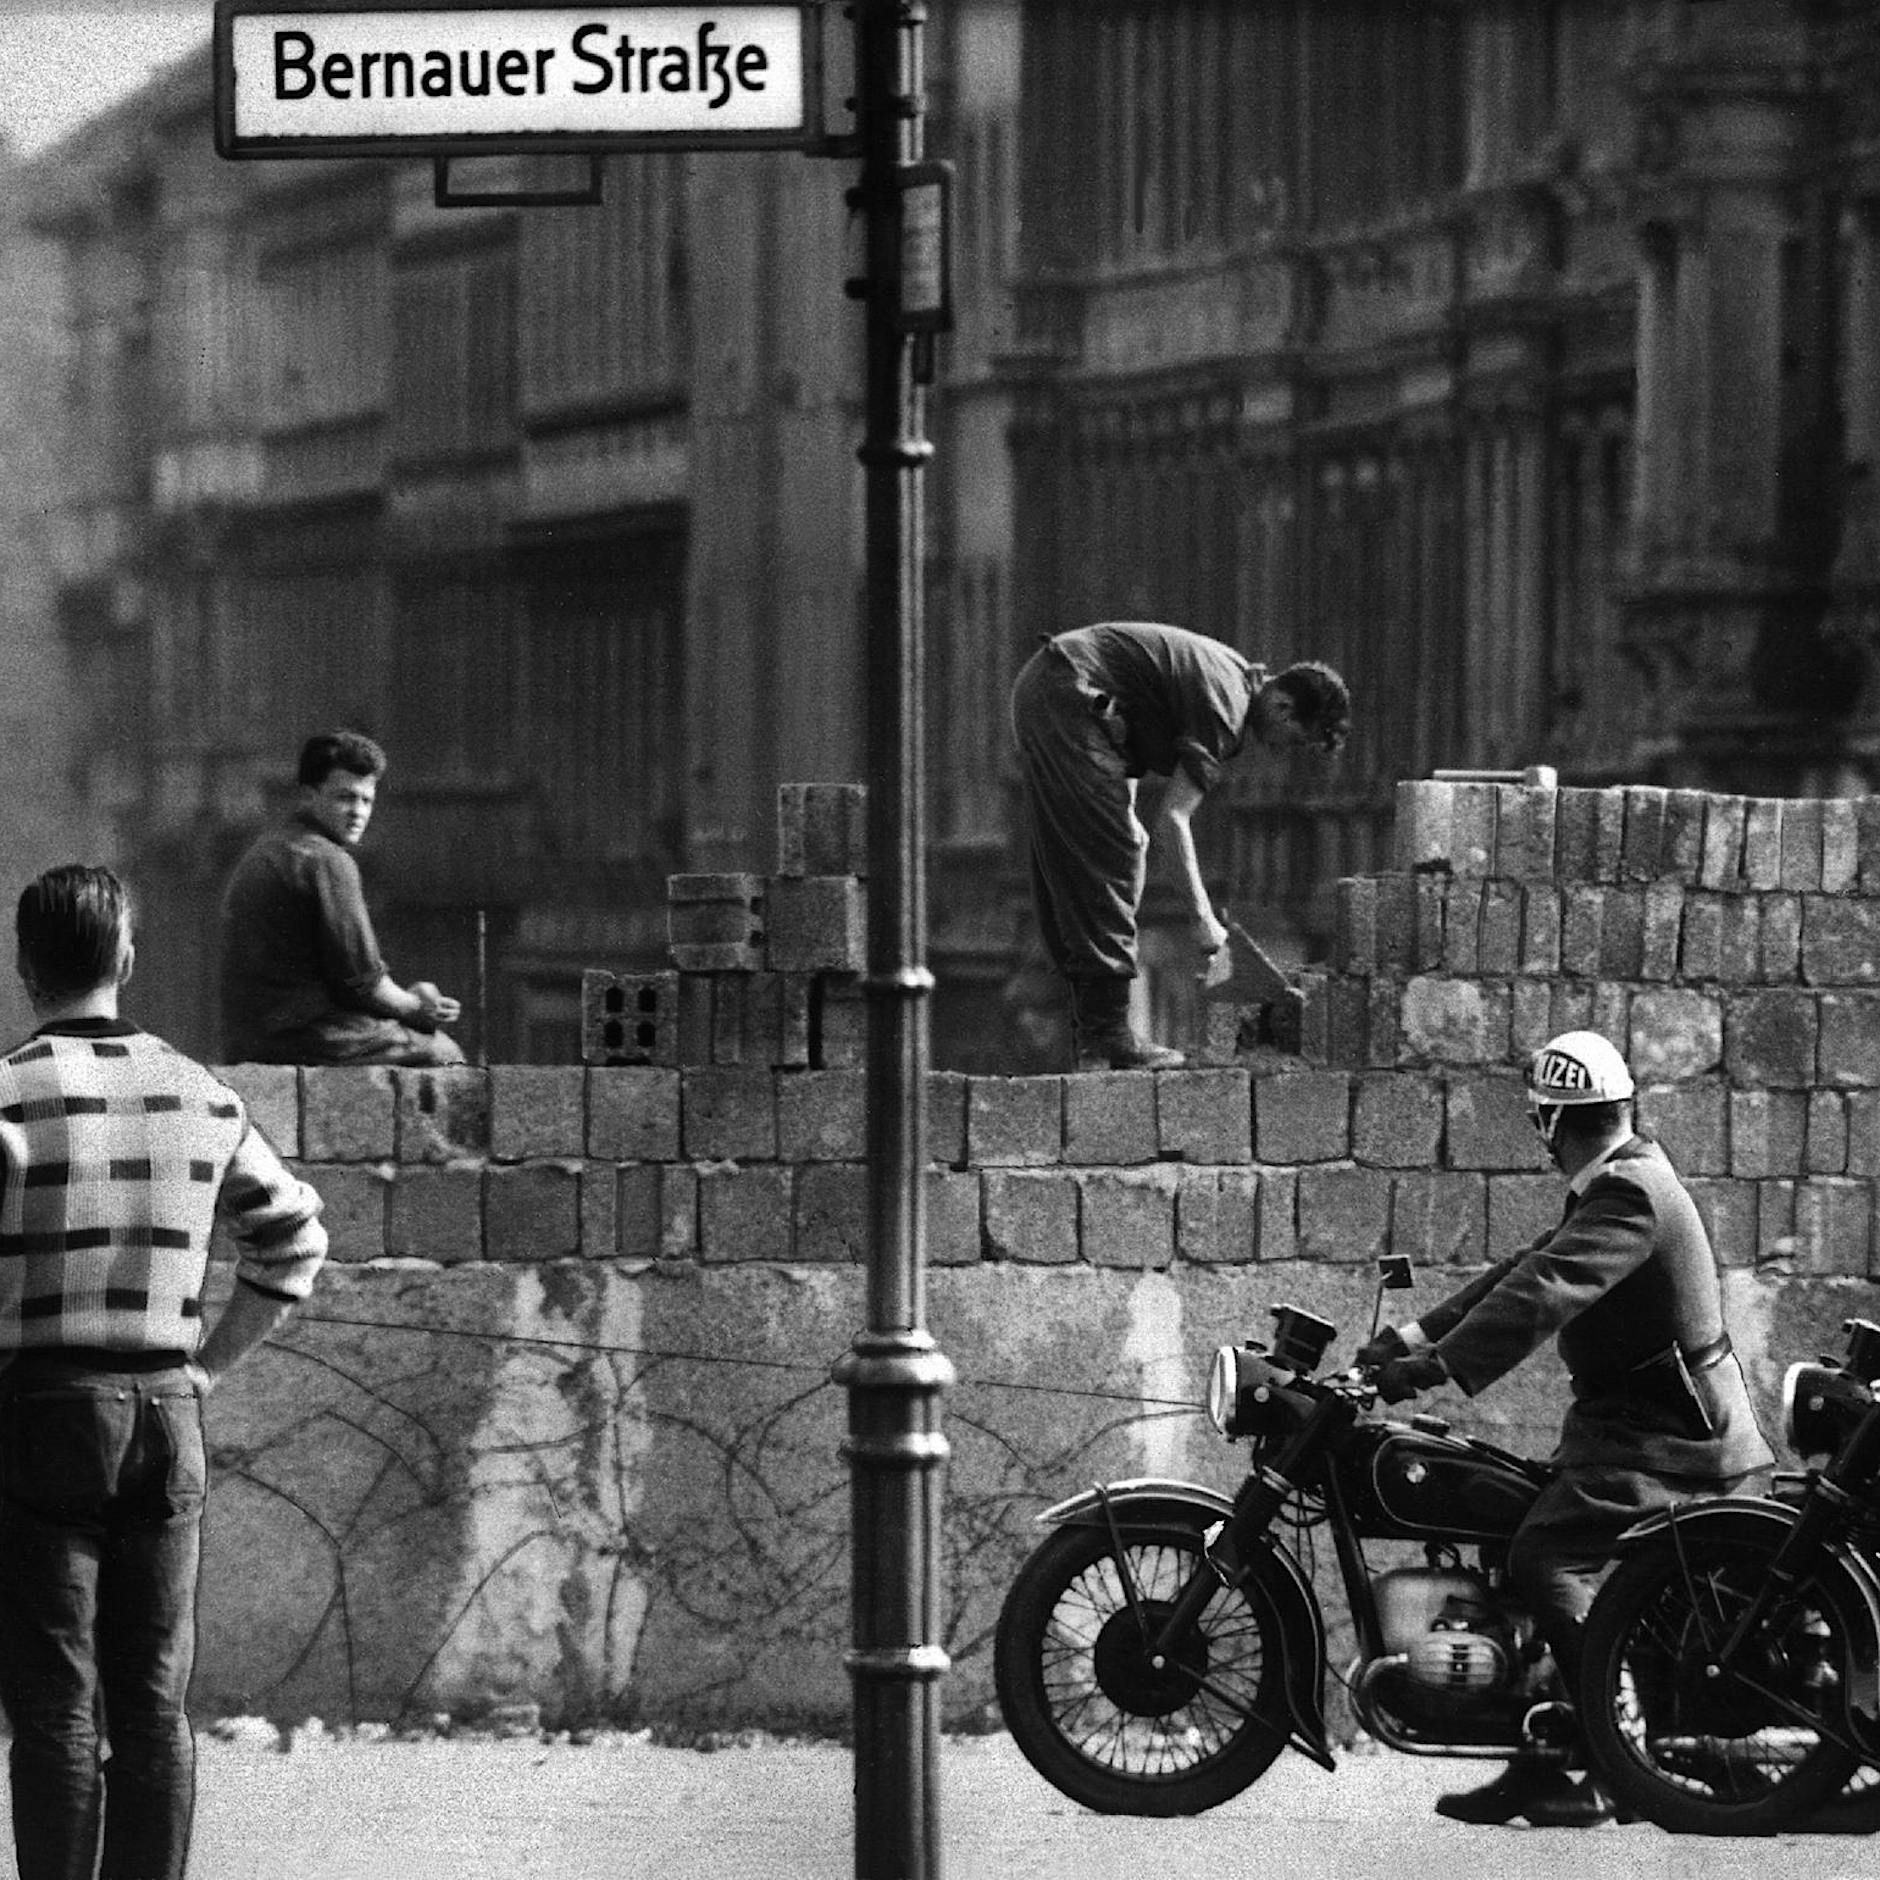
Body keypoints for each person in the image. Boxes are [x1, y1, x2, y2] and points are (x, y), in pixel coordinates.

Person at [0, 865, 328, 1880]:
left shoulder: (6, 1095)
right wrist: (208, 1368)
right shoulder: (203, 1095)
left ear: (25, 968)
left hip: (41, 1412)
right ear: (128, 959)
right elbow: (295, 1242)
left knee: (55, 1706)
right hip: (167, 1412)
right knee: (152, 1704)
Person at [1358, 1030, 1774, 1828]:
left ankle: (1613, 1765)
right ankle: (1543, 1758)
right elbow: (1522, 1269)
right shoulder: (1621, 1180)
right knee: (1512, 1531)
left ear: (1552, 1122)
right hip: (1638, 1430)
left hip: (1676, 1442)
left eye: (1539, 1122)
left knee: (1545, 1556)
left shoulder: (1630, 1194)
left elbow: (1541, 1293)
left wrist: (1428, 1371)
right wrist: (1404, 1341)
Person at [1009, 621, 1349, 1070]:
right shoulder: (1226, 707)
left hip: (1061, 689)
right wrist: (1205, 922)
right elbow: (1174, 820)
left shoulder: (1236, 676)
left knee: (1115, 846)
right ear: (1283, 707)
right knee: (1113, 855)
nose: (1284, 751)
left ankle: (1093, 1026)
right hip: (1070, 695)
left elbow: (1132, 709)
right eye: (1296, 740)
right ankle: (1107, 1034)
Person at [219, 731, 465, 1066]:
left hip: (249, 1041)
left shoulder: (267, 849)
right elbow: (364, 984)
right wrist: (418, 1006)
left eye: (366, 801)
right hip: (305, 1039)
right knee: (445, 1054)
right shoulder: (326, 860)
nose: (358, 812)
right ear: (309, 796)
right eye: (345, 798)